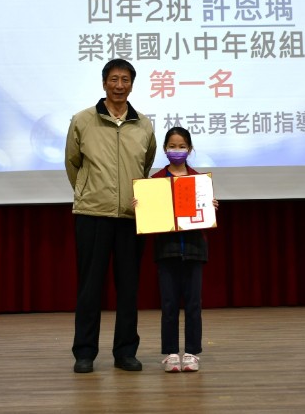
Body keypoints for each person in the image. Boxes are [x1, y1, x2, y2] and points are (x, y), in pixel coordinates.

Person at [64, 59, 157, 374]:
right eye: (114, 79)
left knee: (129, 288)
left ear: (132, 84)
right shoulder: (83, 120)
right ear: (104, 83)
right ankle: (84, 352)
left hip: (131, 216)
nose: (120, 86)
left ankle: (125, 352)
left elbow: (145, 165)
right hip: (92, 214)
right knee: (90, 288)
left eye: (125, 80)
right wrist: (89, 192)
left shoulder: (144, 124)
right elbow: (73, 163)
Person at [149, 126, 218, 373]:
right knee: (168, 304)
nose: (176, 150)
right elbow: (151, 217)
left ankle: (191, 353)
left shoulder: (199, 181)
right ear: (165, 149)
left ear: (189, 149)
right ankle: (170, 353)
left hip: (194, 249)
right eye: (172, 146)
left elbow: (203, 216)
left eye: (181, 146)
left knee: (193, 304)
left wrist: (210, 207)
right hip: (166, 249)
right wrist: (141, 205)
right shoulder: (155, 181)